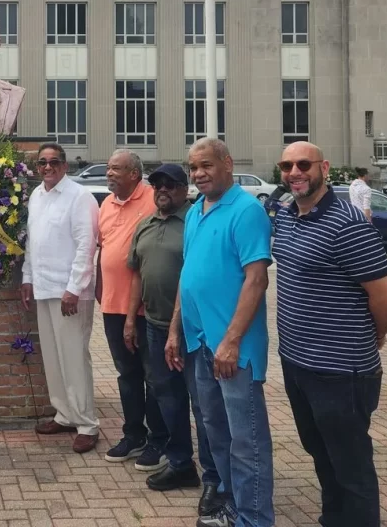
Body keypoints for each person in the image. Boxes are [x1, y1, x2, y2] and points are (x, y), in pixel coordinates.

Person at [273, 142, 387, 527]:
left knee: (351, 464)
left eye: (303, 164)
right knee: (320, 451)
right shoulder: (286, 217)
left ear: (324, 168)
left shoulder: (348, 224)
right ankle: (333, 519)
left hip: (341, 371)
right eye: (286, 165)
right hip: (297, 363)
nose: (294, 172)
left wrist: (375, 332)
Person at [172, 138, 274, 527]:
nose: (198, 174)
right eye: (193, 167)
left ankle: (254, 519)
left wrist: (231, 341)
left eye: (206, 166)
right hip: (200, 344)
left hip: (234, 348)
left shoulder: (246, 210)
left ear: (227, 164)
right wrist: (174, 333)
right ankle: (233, 506)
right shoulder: (196, 210)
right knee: (217, 434)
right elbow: (188, 274)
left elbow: (256, 279)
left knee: (247, 440)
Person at [126, 164, 221, 516]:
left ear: (184, 189)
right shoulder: (147, 224)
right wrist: (129, 320)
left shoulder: (195, 221)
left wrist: (176, 331)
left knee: (203, 406)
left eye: (170, 184)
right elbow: (137, 274)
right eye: (157, 185)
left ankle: (214, 477)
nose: (162, 189)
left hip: (192, 331)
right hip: (153, 326)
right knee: (168, 399)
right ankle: (181, 463)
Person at [21, 142, 100, 454]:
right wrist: (27, 278)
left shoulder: (79, 197)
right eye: (42, 162)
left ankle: (87, 423)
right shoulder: (37, 196)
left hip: (70, 293)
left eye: (54, 162)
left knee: (74, 358)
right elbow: (33, 242)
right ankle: (64, 414)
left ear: (65, 165)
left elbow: (86, 246)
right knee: (53, 358)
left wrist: (74, 288)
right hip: (43, 287)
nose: (48, 167)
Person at [96, 150, 168, 470]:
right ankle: (134, 434)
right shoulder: (106, 205)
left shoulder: (153, 199)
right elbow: (103, 248)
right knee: (127, 374)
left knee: (153, 377)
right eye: (109, 168)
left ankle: (159, 439)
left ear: (134, 175)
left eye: (115, 169)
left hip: (145, 308)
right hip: (112, 306)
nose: (109, 173)